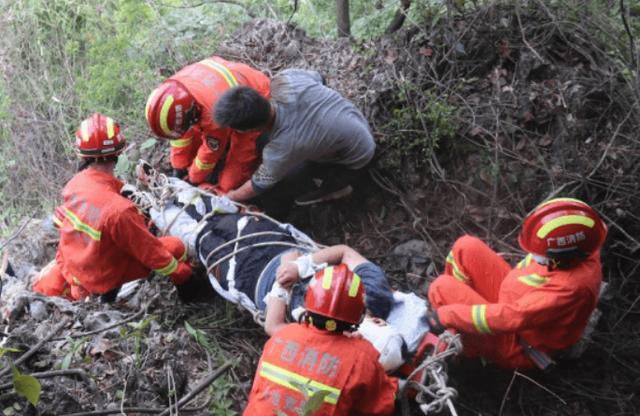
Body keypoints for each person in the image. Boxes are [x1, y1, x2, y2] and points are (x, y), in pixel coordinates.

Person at [425, 197, 607, 369]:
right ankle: (461, 326)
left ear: (565, 256)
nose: (535, 258)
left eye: (541, 256)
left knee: (441, 288)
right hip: (513, 302)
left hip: (518, 343)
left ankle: (462, 348)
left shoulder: (570, 288)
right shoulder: (585, 242)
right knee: (466, 246)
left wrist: (446, 315)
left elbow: (513, 317)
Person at [32, 113, 192, 301]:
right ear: (118, 152)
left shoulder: (75, 184)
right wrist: (182, 274)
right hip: (103, 277)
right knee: (175, 246)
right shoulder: (119, 210)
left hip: (77, 267)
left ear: (83, 154)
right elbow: (152, 253)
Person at [244, 263, 398, 415]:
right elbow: (382, 405)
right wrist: (397, 384)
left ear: (308, 300)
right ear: (359, 314)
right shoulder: (362, 358)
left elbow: (258, 391)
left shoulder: (282, 337)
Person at [214, 68, 375, 208]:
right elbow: (320, 78)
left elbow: (258, 185)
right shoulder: (286, 79)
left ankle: (335, 189)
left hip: (355, 160)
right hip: (356, 123)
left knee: (288, 180)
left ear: (249, 129)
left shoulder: (281, 148)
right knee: (265, 143)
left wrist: (231, 197)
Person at [145, 56, 270, 193]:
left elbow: (211, 153)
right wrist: (179, 165)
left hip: (255, 102)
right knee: (190, 149)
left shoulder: (212, 114)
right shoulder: (175, 90)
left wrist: (193, 178)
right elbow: (181, 133)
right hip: (230, 85)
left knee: (228, 183)